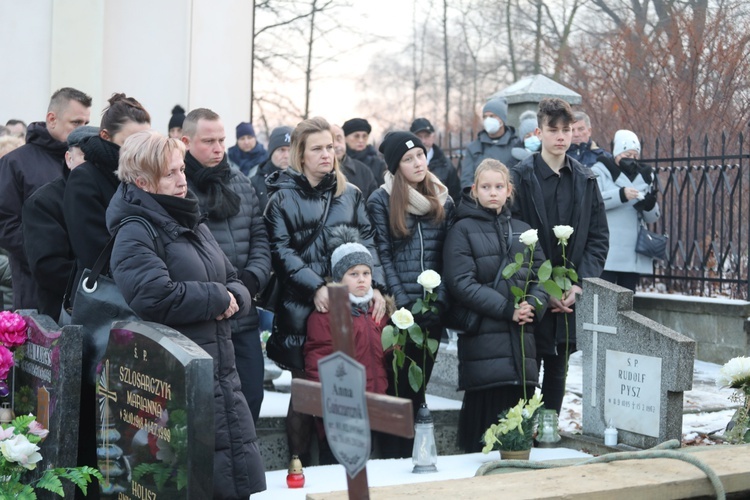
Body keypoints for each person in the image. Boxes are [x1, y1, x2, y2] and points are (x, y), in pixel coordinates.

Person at [108, 130, 266, 498]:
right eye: (170, 174)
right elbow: (154, 296)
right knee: (191, 480)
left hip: (222, 374)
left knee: (233, 477)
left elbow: (232, 277)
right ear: (142, 182)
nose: (182, 180)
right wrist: (217, 298)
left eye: (181, 169)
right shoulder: (135, 229)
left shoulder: (187, 218)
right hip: (177, 380)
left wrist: (234, 296)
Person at [264, 116, 386, 464]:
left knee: (345, 389)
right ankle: (298, 465)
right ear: (299, 155)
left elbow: (369, 242)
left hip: (352, 310)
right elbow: (281, 253)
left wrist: (375, 286)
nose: (326, 155)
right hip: (303, 309)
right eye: (316, 148)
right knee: (307, 393)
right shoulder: (281, 200)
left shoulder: (351, 194)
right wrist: (316, 287)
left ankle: (343, 466)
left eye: (330, 147)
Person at [510, 97, 609, 415]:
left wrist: (579, 284)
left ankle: (548, 434)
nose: (561, 136)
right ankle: (524, 435)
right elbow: (510, 237)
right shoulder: (520, 178)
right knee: (527, 370)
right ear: (539, 132)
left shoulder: (586, 178)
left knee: (558, 369)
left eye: (567, 129)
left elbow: (597, 239)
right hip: (530, 292)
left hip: (568, 295)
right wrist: (541, 289)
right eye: (554, 129)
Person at [444, 159, 547, 452]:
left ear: (509, 190)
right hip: (485, 338)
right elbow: (462, 282)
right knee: (485, 426)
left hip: (521, 341)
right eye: (486, 187)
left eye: (499, 186)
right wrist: (507, 309)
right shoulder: (462, 229)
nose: (493, 192)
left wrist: (532, 305)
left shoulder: (524, 229)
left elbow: (542, 274)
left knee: (516, 425)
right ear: (474, 190)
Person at [367, 130, 454, 458]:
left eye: (420, 154)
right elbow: (382, 255)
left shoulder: (443, 198)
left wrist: (440, 299)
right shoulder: (382, 199)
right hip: (399, 314)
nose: (418, 162)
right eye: (408, 158)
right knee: (399, 387)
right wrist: (402, 303)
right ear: (395, 165)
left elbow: (450, 256)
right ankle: (395, 457)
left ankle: (416, 457)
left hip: (433, 310)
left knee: (419, 388)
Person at [181, 108, 271, 423]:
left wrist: (248, 284)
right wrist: (217, 294)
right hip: (202, 317)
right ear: (185, 141)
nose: (219, 148)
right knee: (204, 409)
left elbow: (260, 238)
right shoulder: (177, 185)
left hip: (243, 315)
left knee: (251, 399)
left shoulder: (241, 182)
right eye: (209, 141)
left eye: (221, 140)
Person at [304, 227, 390, 464]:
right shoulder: (326, 315)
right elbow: (317, 363)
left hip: (374, 406)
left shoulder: (380, 312)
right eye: (353, 274)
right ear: (339, 277)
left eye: (366, 273)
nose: (362, 279)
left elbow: (388, 357)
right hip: (340, 412)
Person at [0, 87, 92, 310]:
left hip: (80, 285)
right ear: (52, 119)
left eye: (86, 123)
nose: (83, 130)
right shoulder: (16, 162)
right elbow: (5, 224)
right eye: (76, 122)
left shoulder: (87, 162)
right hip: (33, 285)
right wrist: (44, 252)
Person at [64, 93, 151, 301]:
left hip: (146, 289)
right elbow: (93, 250)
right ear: (105, 135)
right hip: (106, 297)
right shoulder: (84, 179)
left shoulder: (146, 176)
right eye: (130, 141)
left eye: (145, 141)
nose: (139, 150)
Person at [23, 125, 99, 321]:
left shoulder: (112, 196)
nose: (92, 165)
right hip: (64, 313)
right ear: (68, 159)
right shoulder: (43, 202)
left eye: (97, 158)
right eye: (85, 157)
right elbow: (48, 267)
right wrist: (101, 281)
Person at [591, 130, 660, 291]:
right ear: (617, 153)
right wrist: (621, 195)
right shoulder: (600, 170)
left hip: (632, 253)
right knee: (604, 300)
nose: (631, 159)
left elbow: (652, 218)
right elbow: (594, 202)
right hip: (608, 250)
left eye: (635, 155)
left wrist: (649, 205)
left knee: (627, 302)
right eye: (627, 154)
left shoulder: (645, 177)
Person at [460, 96, 522, 190]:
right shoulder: (473, 147)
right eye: (485, 116)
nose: (488, 120)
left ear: (502, 119)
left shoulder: (516, 145)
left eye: (492, 116)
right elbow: (466, 180)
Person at [410, 118, 461, 202]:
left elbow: (456, 197)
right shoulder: (404, 165)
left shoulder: (446, 165)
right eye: (419, 137)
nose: (423, 141)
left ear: (433, 137)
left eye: (426, 136)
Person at [251, 125, 293, 212]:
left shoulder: (304, 180)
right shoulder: (254, 184)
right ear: (271, 152)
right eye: (281, 150)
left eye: (290, 150)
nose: (286, 156)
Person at [331, 123, 378, 200]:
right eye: (331, 140)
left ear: (344, 140)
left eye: (339, 139)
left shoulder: (364, 171)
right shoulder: (317, 172)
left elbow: (374, 205)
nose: (336, 145)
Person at [342, 117, 387, 183]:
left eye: (364, 136)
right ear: (345, 138)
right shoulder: (339, 162)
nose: (361, 140)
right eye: (356, 136)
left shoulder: (378, 164)